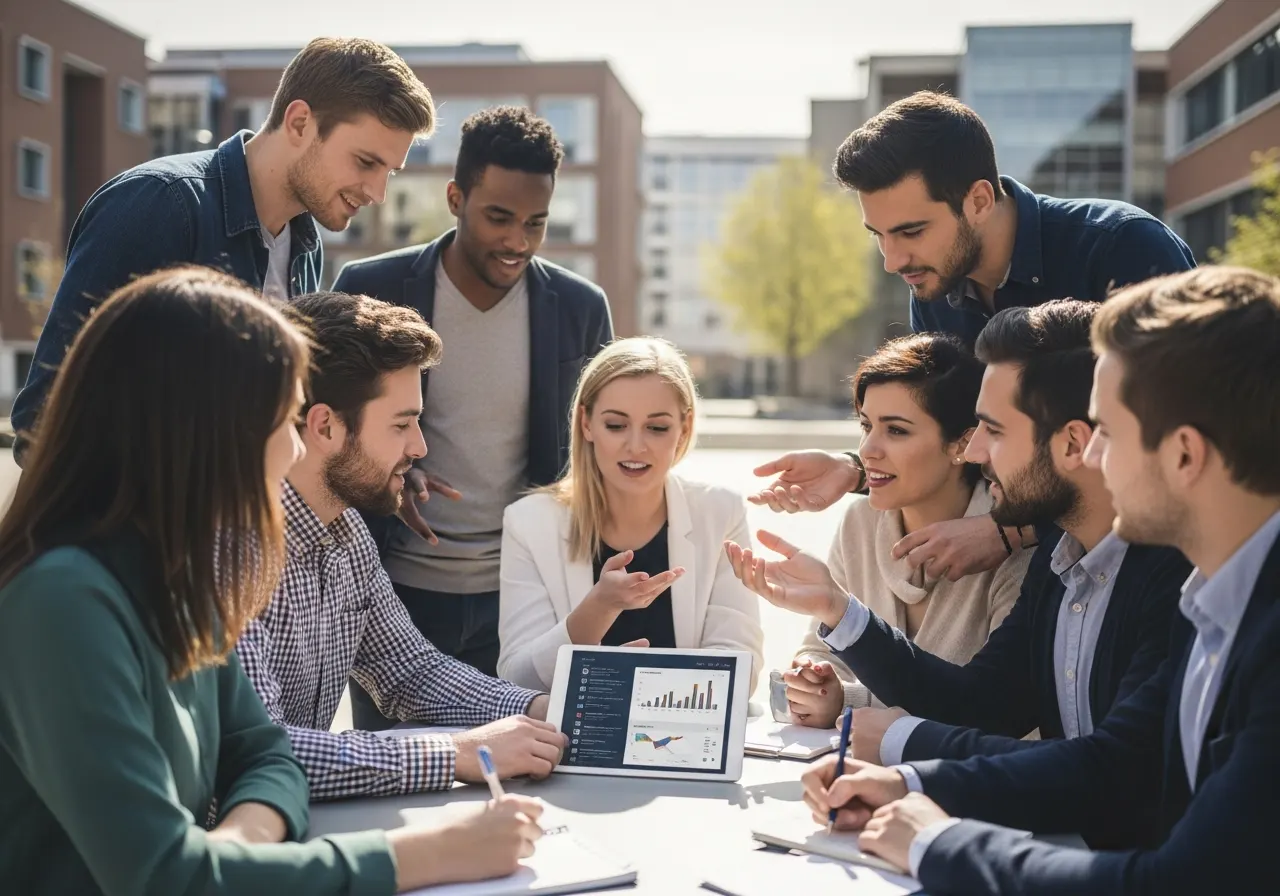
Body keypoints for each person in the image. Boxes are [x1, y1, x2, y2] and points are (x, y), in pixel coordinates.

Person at [0, 267, 544, 895]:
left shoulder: (172, 577)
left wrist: (233, 853)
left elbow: (262, 752)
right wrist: (430, 853)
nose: (293, 451)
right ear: (197, 427)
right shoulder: (63, 602)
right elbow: (170, 876)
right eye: (281, 420)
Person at [799, 266, 1280, 894]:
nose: (1097, 455)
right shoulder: (1208, 594)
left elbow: (1179, 875)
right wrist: (910, 784)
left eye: (1108, 430)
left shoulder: (1224, 605)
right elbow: (1099, 760)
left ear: (1185, 454)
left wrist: (935, 838)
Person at [727, 301, 1189, 836]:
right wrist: (838, 609)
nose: (972, 453)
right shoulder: (1060, 559)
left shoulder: (1171, 574)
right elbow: (982, 704)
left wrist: (905, 759)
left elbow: (1113, 772)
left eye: (991, 430)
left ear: (1072, 444)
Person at [748, 90, 1196, 586]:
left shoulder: (1122, 247)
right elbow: (961, 438)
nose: (892, 261)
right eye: (879, 235)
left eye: (911, 231)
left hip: (1159, 569)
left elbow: (1176, 436)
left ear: (979, 200)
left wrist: (1007, 532)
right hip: (1042, 579)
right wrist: (856, 470)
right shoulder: (932, 290)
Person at [10, 37, 435, 465]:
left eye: (389, 172)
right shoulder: (159, 205)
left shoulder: (306, 247)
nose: (378, 193)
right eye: (365, 162)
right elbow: (45, 417)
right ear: (300, 122)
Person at [334, 105, 614, 725]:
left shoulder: (579, 307)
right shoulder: (370, 285)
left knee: (518, 773)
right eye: (499, 217)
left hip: (522, 597)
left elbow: (597, 452)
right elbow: (332, 434)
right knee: (397, 782)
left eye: (536, 223)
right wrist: (386, 476)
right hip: (392, 596)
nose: (518, 241)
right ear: (455, 197)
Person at [235, 291, 567, 801]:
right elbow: (260, 753)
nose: (420, 447)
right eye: (401, 423)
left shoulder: (348, 535)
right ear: (325, 426)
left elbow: (411, 671)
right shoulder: (233, 553)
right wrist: (459, 753)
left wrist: (538, 710)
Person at [777, 334, 1031, 728]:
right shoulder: (859, 523)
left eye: (896, 431)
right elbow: (822, 653)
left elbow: (990, 710)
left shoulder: (1012, 541)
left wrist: (849, 703)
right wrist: (813, 680)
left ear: (961, 444)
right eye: (866, 425)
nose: (867, 450)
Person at [497, 337, 764, 692]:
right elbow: (516, 680)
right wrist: (598, 608)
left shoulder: (721, 512)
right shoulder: (529, 522)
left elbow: (740, 668)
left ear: (683, 428)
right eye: (616, 425)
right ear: (586, 423)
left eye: (657, 428)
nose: (636, 446)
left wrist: (632, 691)